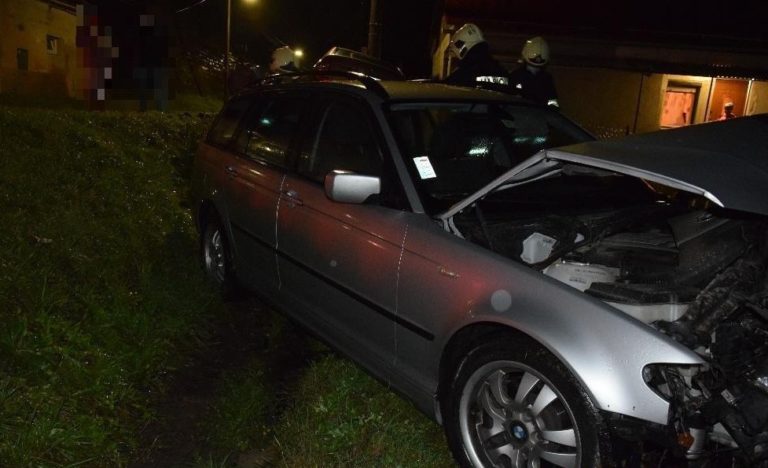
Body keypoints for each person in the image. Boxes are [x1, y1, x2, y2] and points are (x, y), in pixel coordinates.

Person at [444, 23, 510, 88]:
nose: (456, 59)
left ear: (461, 47)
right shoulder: (501, 72)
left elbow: (445, 88)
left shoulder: (463, 75)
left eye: (455, 55)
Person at [508, 36, 559, 107]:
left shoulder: (546, 78)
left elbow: (552, 101)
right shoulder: (516, 76)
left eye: (537, 67)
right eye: (531, 66)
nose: (534, 69)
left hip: (538, 112)